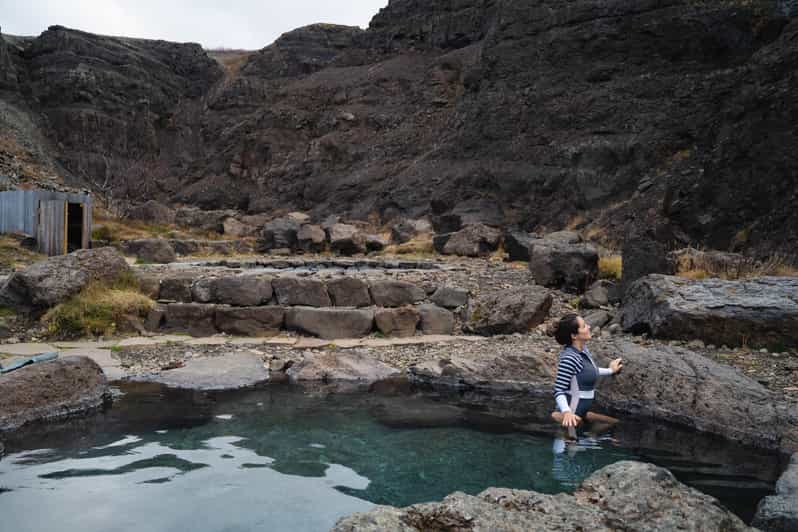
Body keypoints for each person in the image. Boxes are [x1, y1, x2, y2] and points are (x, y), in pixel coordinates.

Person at [551, 314, 623, 429]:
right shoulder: (569, 358)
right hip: (569, 418)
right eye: (584, 326)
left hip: (582, 413)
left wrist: (611, 370)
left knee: (615, 424)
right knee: (593, 436)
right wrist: (566, 412)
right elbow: (559, 390)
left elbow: (588, 372)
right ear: (574, 335)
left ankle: (591, 433)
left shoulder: (583, 350)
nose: (589, 327)